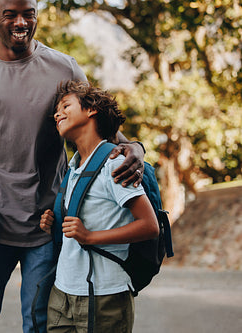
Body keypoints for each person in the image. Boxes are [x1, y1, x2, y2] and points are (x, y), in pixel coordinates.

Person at [0, 1, 146, 332]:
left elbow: (104, 128)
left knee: (39, 326)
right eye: (10, 14)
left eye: (28, 14)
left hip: (47, 227)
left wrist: (135, 147)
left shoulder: (63, 68)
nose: (20, 22)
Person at [39, 80, 159, 332]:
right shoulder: (73, 169)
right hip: (63, 292)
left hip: (105, 293)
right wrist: (54, 222)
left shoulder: (115, 164)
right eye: (56, 110)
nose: (57, 114)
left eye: (65, 105)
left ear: (91, 109)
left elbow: (149, 226)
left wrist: (90, 236)